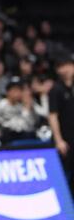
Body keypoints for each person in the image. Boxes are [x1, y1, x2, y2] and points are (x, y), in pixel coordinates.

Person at [48, 55, 74, 194]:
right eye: (60, 67)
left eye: (67, 65)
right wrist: (58, 140)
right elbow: (53, 115)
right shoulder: (56, 89)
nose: (64, 70)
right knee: (63, 173)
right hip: (65, 139)